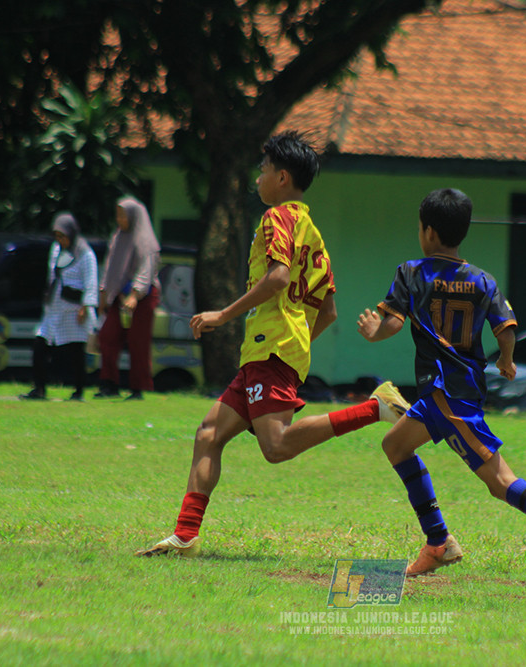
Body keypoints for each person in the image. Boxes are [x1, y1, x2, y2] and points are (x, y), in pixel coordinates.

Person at [136, 131, 411, 557]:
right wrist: (295, 345)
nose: (258, 177)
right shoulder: (314, 235)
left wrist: (222, 315)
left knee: (276, 446)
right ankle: (185, 535)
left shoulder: (275, 218)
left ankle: (375, 407)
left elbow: (279, 277)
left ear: (282, 177)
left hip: (270, 346)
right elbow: (329, 311)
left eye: (263, 169)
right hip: (275, 349)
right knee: (209, 433)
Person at [356, 188, 526, 584]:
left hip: (448, 397)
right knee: (395, 444)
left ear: (427, 231)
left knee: (500, 483)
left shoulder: (412, 272)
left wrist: (374, 331)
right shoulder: (482, 280)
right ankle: (438, 542)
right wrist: (505, 359)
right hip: (451, 392)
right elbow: (506, 327)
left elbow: (392, 322)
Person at [20, 213, 98, 401]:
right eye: (58, 236)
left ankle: (78, 391)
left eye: (63, 236)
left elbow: (91, 282)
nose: (60, 240)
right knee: (40, 345)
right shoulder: (55, 249)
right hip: (54, 306)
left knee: (75, 352)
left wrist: (85, 307)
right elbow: (51, 276)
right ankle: (39, 389)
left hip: (73, 309)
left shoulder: (85, 253)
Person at [96, 195, 162, 401]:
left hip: (142, 297)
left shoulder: (146, 240)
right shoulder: (118, 238)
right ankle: (109, 383)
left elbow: (146, 269)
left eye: (122, 215)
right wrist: (104, 293)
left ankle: (138, 388)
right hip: (119, 296)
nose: (119, 219)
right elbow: (111, 267)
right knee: (107, 336)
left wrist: (135, 294)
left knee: (137, 343)